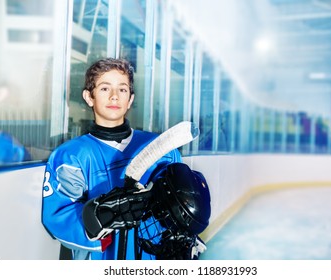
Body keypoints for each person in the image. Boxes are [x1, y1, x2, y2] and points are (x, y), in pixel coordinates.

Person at [41, 58, 210, 260]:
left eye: (122, 90)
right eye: (104, 89)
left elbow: (182, 206)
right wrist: (100, 217)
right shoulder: (71, 156)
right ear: (89, 97)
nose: (114, 97)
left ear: (130, 99)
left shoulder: (162, 149)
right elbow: (58, 216)